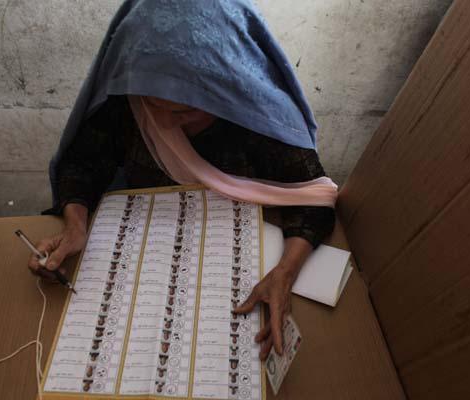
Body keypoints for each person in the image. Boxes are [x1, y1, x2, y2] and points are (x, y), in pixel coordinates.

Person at [28, 0, 338, 360]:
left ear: (228, 87)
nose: (165, 123)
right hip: (151, 243)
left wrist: (285, 271)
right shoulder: (131, 96)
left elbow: (313, 199)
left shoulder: (257, 114)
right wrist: (75, 225)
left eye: (185, 110)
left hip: (235, 248)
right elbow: (82, 164)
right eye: (153, 106)